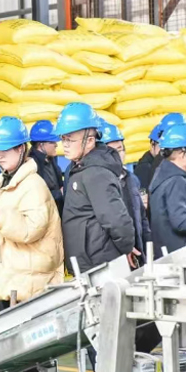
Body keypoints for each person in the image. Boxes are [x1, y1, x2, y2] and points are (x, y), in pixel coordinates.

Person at [0, 116, 64, 372]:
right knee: (14, 353)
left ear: (22, 149)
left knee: (29, 355)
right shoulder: (2, 181)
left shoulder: (33, 185)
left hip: (26, 285)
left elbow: (31, 230)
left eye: (6, 149)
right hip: (9, 280)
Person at [54, 103, 135, 274]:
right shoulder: (79, 168)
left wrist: (125, 248)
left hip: (98, 265)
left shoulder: (96, 173)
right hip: (88, 263)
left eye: (70, 139)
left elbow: (116, 220)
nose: (65, 145)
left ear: (90, 141)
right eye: (63, 139)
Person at [149, 122, 186, 352]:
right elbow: (181, 222)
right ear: (182, 153)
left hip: (170, 259)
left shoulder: (162, 175)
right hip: (182, 262)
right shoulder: (176, 182)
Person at [102, 123, 150, 268]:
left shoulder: (131, 179)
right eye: (112, 151)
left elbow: (141, 216)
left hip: (137, 251)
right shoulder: (99, 182)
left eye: (120, 149)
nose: (118, 155)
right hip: (114, 257)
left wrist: (147, 245)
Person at [29, 120, 64, 214]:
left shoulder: (51, 158)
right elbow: (36, 197)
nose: (56, 145)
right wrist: (59, 193)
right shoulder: (31, 165)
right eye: (52, 142)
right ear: (41, 145)